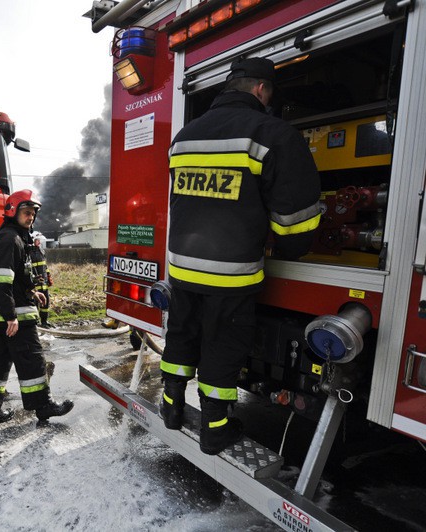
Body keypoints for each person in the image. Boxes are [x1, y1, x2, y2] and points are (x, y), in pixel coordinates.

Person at [160, 57, 321, 455]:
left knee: (181, 336)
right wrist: (287, 246)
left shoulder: (184, 136)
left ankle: (171, 408)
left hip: (181, 267)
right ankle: (215, 430)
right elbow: (295, 228)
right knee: (220, 347)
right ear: (261, 90)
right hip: (230, 277)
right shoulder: (272, 133)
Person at [0, 190, 74, 427]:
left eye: (33, 214)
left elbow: (16, 279)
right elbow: (0, 282)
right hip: (14, 317)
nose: (30, 217)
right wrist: (11, 316)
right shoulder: (11, 239)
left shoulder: (14, 237)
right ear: (13, 212)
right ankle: (43, 406)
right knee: (32, 359)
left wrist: (32, 292)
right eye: (26, 212)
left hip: (7, 315)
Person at [28, 230, 53, 328]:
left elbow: (44, 267)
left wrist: (48, 277)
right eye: (38, 240)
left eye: (40, 240)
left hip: (44, 282)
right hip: (35, 283)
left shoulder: (41, 251)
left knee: (45, 302)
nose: (40, 242)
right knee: (35, 303)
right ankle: (34, 323)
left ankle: (44, 322)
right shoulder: (29, 252)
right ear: (33, 240)